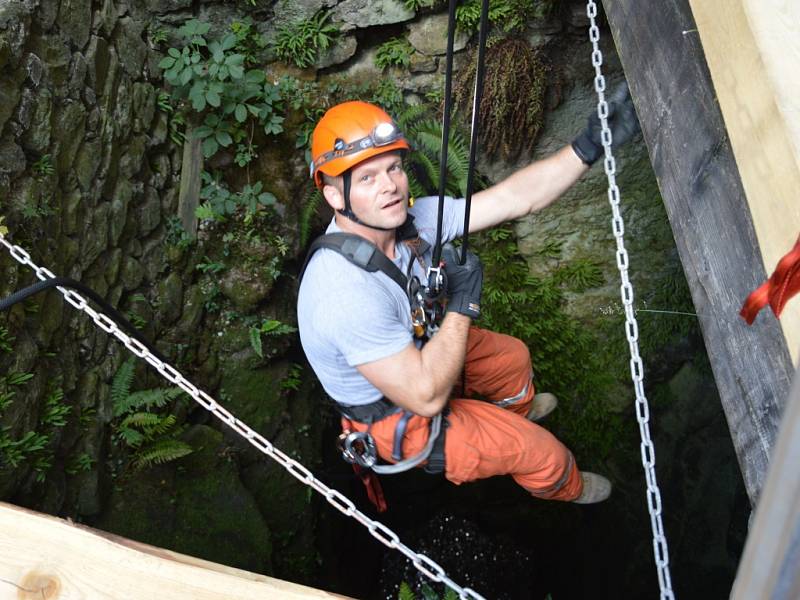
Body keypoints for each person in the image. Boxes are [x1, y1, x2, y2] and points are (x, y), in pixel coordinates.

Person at [297, 85, 639, 504]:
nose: (390, 186)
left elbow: (515, 198)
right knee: (540, 452)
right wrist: (462, 305)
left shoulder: (413, 221)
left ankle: (516, 413)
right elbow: (425, 396)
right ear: (335, 196)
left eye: (393, 168)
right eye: (367, 178)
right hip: (398, 407)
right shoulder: (343, 294)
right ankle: (569, 486)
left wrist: (587, 147)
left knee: (512, 359)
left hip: (420, 342)